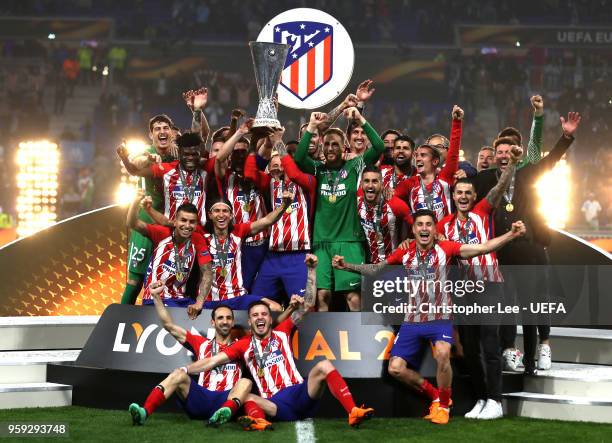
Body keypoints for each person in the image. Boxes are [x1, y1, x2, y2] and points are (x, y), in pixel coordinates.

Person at [332, 209, 527, 425]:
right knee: (395, 369)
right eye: (420, 225)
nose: (424, 229)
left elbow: (482, 248)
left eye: (428, 225)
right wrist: (347, 266)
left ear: (435, 230)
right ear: (414, 230)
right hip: (412, 320)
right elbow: (377, 269)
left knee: (443, 353)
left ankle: (443, 406)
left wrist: (511, 234)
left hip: (440, 318)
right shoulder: (403, 253)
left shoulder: (446, 248)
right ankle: (436, 395)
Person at [181, 255, 375, 430]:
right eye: (255, 315)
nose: (260, 317)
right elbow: (212, 361)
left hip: (300, 393)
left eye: (264, 314)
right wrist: (186, 371)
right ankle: (259, 421)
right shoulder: (243, 344)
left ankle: (353, 411)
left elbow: (307, 305)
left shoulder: (282, 331)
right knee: (244, 395)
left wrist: (312, 271)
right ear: (249, 321)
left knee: (324, 365)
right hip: (275, 404)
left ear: (269, 318)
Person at [474, 111, 581, 374]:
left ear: (516, 155)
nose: (502, 155)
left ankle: (534, 358)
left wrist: (566, 136)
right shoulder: (485, 179)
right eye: (498, 151)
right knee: (508, 305)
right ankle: (510, 350)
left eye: (508, 151)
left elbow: (551, 160)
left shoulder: (527, 174)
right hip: (501, 254)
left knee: (532, 306)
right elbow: (458, 184)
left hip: (529, 252)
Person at [436, 144, 522, 420]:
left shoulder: (483, 212)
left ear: (475, 197)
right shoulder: (444, 226)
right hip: (463, 291)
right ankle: (483, 398)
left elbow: (498, 190)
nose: (463, 197)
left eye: (467, 193)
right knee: (470, 350)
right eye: (458, 193)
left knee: (489, 344)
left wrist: (512, 166)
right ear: (453, 195)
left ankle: (496, 401)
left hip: (488, 286)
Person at [293, 107, 385, 311]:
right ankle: (325, 342)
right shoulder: (318, 168)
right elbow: (298, 158)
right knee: (322, 296)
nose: (331, 148)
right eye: (327, 144)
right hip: (322, 241)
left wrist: (360, 118)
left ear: (344, 147)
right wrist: (311, 127)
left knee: (352, 297)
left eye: (335, 144)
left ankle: (357, 341)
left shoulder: (354, 167)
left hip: (350, 241)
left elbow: (378, 147)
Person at [129, 281, 251, 426]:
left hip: (226, 398)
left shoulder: (243, 345)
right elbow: (169, 326)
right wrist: (156, 297)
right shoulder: (201, 343)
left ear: (232, 323)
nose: (225, 321)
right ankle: (144, 412)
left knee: (245, 382)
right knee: (178, 373)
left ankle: (222, 414)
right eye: (220, 318)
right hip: (200, 398)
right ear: (212, 322)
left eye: (228, 318)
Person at [245, 128, 317, 303]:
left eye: (282, 163)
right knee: (256, 302)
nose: (278, 168)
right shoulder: (269, 184)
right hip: (273, 256)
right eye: (274, 165)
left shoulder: (308, 183)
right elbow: (249, 174)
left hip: (299, 256)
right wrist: (257, 145)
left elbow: (293, 173)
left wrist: (278, 142)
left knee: (304, 306)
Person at [200, 191, 295, 311]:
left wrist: (284, 206)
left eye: (225, 211)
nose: (221, 215)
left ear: (231, 215)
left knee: (275, 307)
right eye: (217, 211)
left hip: (238, 298)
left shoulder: (238, 232)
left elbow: (267, 221)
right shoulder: (201, 237)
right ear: (210, 215)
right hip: (209, 301)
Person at [117, 114, 177, 305]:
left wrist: (197, 112)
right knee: (135, 281)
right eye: (157, 129)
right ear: (151, 134)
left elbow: (200, 141)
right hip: (145, 224)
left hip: (170, 225)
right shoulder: (146, 152)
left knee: (166, 281)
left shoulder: (177, 153)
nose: (162, 131)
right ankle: (117, 326)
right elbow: (135, 164)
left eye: (165, 128)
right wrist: (147, 158)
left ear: (172, 132)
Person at [127, 196, 212, 318]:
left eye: (192, 222)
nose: (187, 225)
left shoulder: (197, 239)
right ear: (175, 221)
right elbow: (132, 223)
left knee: (211, 313)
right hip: (155, 299)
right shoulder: (162, 233)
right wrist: (134, 202)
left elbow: (207, 272)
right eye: (183, 220)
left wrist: (199, 302)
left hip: (180, 300)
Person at [118, 132, 212, 227]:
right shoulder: (167, 169)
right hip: (172, 230)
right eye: (186, 154)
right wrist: (124, 158)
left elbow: (221, 156)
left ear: (199, 154)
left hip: (200, 232)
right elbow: (135, 171)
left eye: (194, 154)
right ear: (179, 153)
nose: (190, 158)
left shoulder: (205, 169)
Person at [394, 106, 464, 222]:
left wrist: (457, 122)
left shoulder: (445, 178)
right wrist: (412, 222)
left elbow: (453, 154)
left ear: (435, 161)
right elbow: (392, 200)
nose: (418, 159)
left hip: (443, 237)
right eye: (417, 155)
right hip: (420, 237)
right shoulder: (409, 184)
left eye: (423, 155)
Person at [358, 165, 412, 263]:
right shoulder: (357, 204)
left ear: (382, 185)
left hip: (393, 265)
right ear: (361, 184)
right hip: (369, 265)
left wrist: (410, 239)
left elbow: (417, 224)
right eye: (366, 181)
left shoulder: (395, 204)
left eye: (375, 181)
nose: (370, 185)